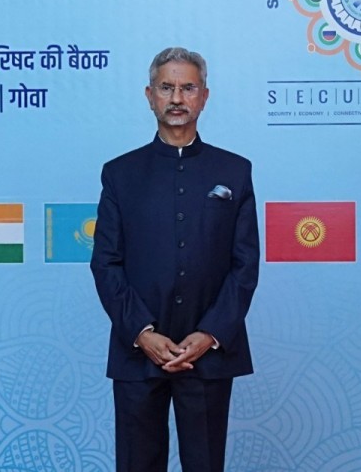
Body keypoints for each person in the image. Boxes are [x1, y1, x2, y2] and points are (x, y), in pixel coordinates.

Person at [91, 47, 259, 472]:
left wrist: (209, 334)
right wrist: (141, 333)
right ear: (150, 95)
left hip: (208, 353)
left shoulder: (235, 171)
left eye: (188, 88)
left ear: (205, 96)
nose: (177, 98)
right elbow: (105, 262)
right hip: (137, 352)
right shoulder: (120, 173)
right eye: (167, 88)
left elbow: (245, 265)